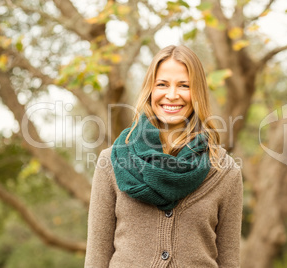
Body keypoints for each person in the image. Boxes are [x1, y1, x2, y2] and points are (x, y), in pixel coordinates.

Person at [84, 45, 243, 268]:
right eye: (162, 84)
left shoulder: (225, 170)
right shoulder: (111, 161)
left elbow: (229, 261)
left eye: (184, 85)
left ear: (197, 92)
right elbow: (96, 258)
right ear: (150, 89)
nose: (171, 95)